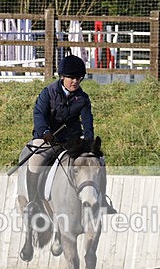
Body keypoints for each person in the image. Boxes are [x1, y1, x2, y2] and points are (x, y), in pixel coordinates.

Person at [22, 54, 116, 214]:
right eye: (71, 78)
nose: (75, 81)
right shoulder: (48, 93)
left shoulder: (83, 98)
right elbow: (38, 114)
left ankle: (102, 202)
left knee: (99, 160)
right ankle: (33, 202)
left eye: (79, 78)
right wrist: (45, 132)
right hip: (48, 139)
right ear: (62, 77)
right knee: (36, 159)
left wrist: (89, 142)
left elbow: (87, 122)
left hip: (72, 140)